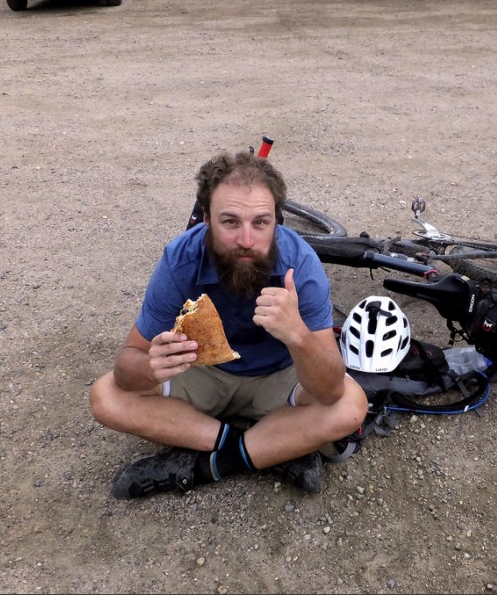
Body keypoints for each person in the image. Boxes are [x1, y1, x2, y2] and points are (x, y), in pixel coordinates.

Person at [89, 149, 368, 499]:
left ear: (276, 222)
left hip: (280, 378)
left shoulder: (300, 265)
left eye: (261, 222)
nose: (246, 241)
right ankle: (271, 449)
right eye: (230, 222)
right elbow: (126, 368)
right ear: (206, 218)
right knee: (105, 397)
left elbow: (330, 390)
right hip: (203, 373)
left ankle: (209, 465)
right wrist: (149, 365)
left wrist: (299, 336)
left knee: (351, 405)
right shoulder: (181, 260)